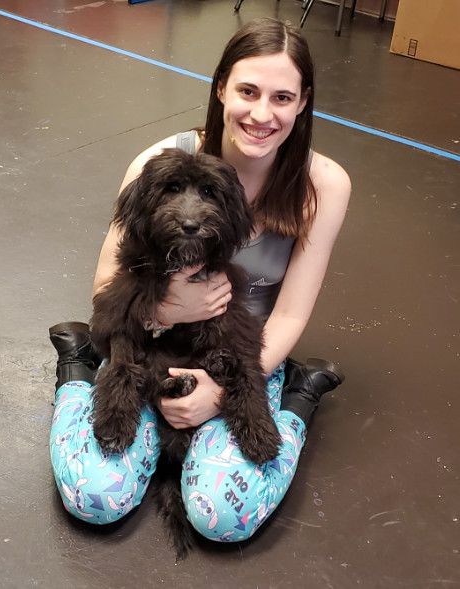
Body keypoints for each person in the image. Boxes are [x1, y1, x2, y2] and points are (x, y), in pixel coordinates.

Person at [49, 18, 350, 541]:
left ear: (303, 103)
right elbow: (106, 290)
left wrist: (219, 392)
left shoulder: (323, 185)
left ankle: (298, 401)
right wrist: (169, 310)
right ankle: (77, 374)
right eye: (248, 91)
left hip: (244, 354)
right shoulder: (155, 163)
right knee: (93, 498)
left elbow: (291, 313)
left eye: (282, 97)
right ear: (221, 88)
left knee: (223, 519)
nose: (262, 114)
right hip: (148, 339)